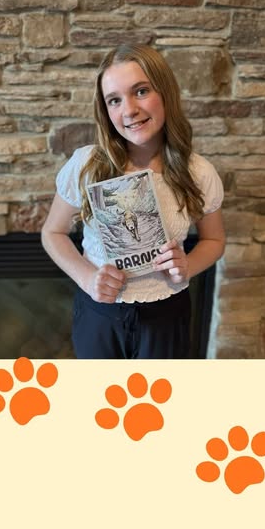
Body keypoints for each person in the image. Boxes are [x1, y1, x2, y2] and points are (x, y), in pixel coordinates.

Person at [42, 44, 225, 359]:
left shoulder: (198, 172)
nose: (128, 110)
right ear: (106, 110)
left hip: (168, 313)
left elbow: (214, 239)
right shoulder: (86, 165)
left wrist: (189, 265)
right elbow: (52, 233)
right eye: (115, 100)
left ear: (165, 92)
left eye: (141, 91)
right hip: (99, 309)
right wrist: (87, 278)